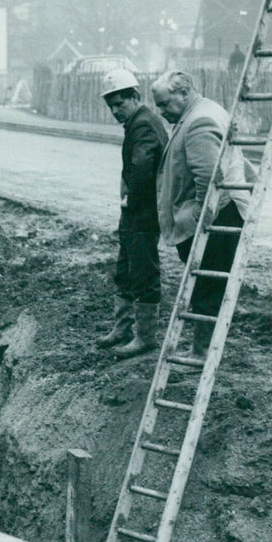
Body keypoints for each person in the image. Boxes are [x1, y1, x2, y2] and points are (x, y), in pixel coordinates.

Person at [151, 70, 253, 358]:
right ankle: (202, 349)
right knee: (207, 287)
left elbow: (209, 183)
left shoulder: (199, 121)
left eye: (165, 104)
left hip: (217, 219)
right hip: (222, 215)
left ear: (184, 93)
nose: (161, 112)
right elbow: (240, 160)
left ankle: (202, 353)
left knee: (207, 288)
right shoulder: (205, 111)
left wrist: (196, 223)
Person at [97, 69, 168, 357]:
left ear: (135, 97)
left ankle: (145, 336)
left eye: (120, 104)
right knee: (125, 267)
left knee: (143, 269)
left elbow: (141, 168)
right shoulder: (137, 123)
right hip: (135, 211)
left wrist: (130, 199)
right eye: (111, 106)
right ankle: (123, 328)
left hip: (144, 211)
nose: (115, 111)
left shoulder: (144, 126)